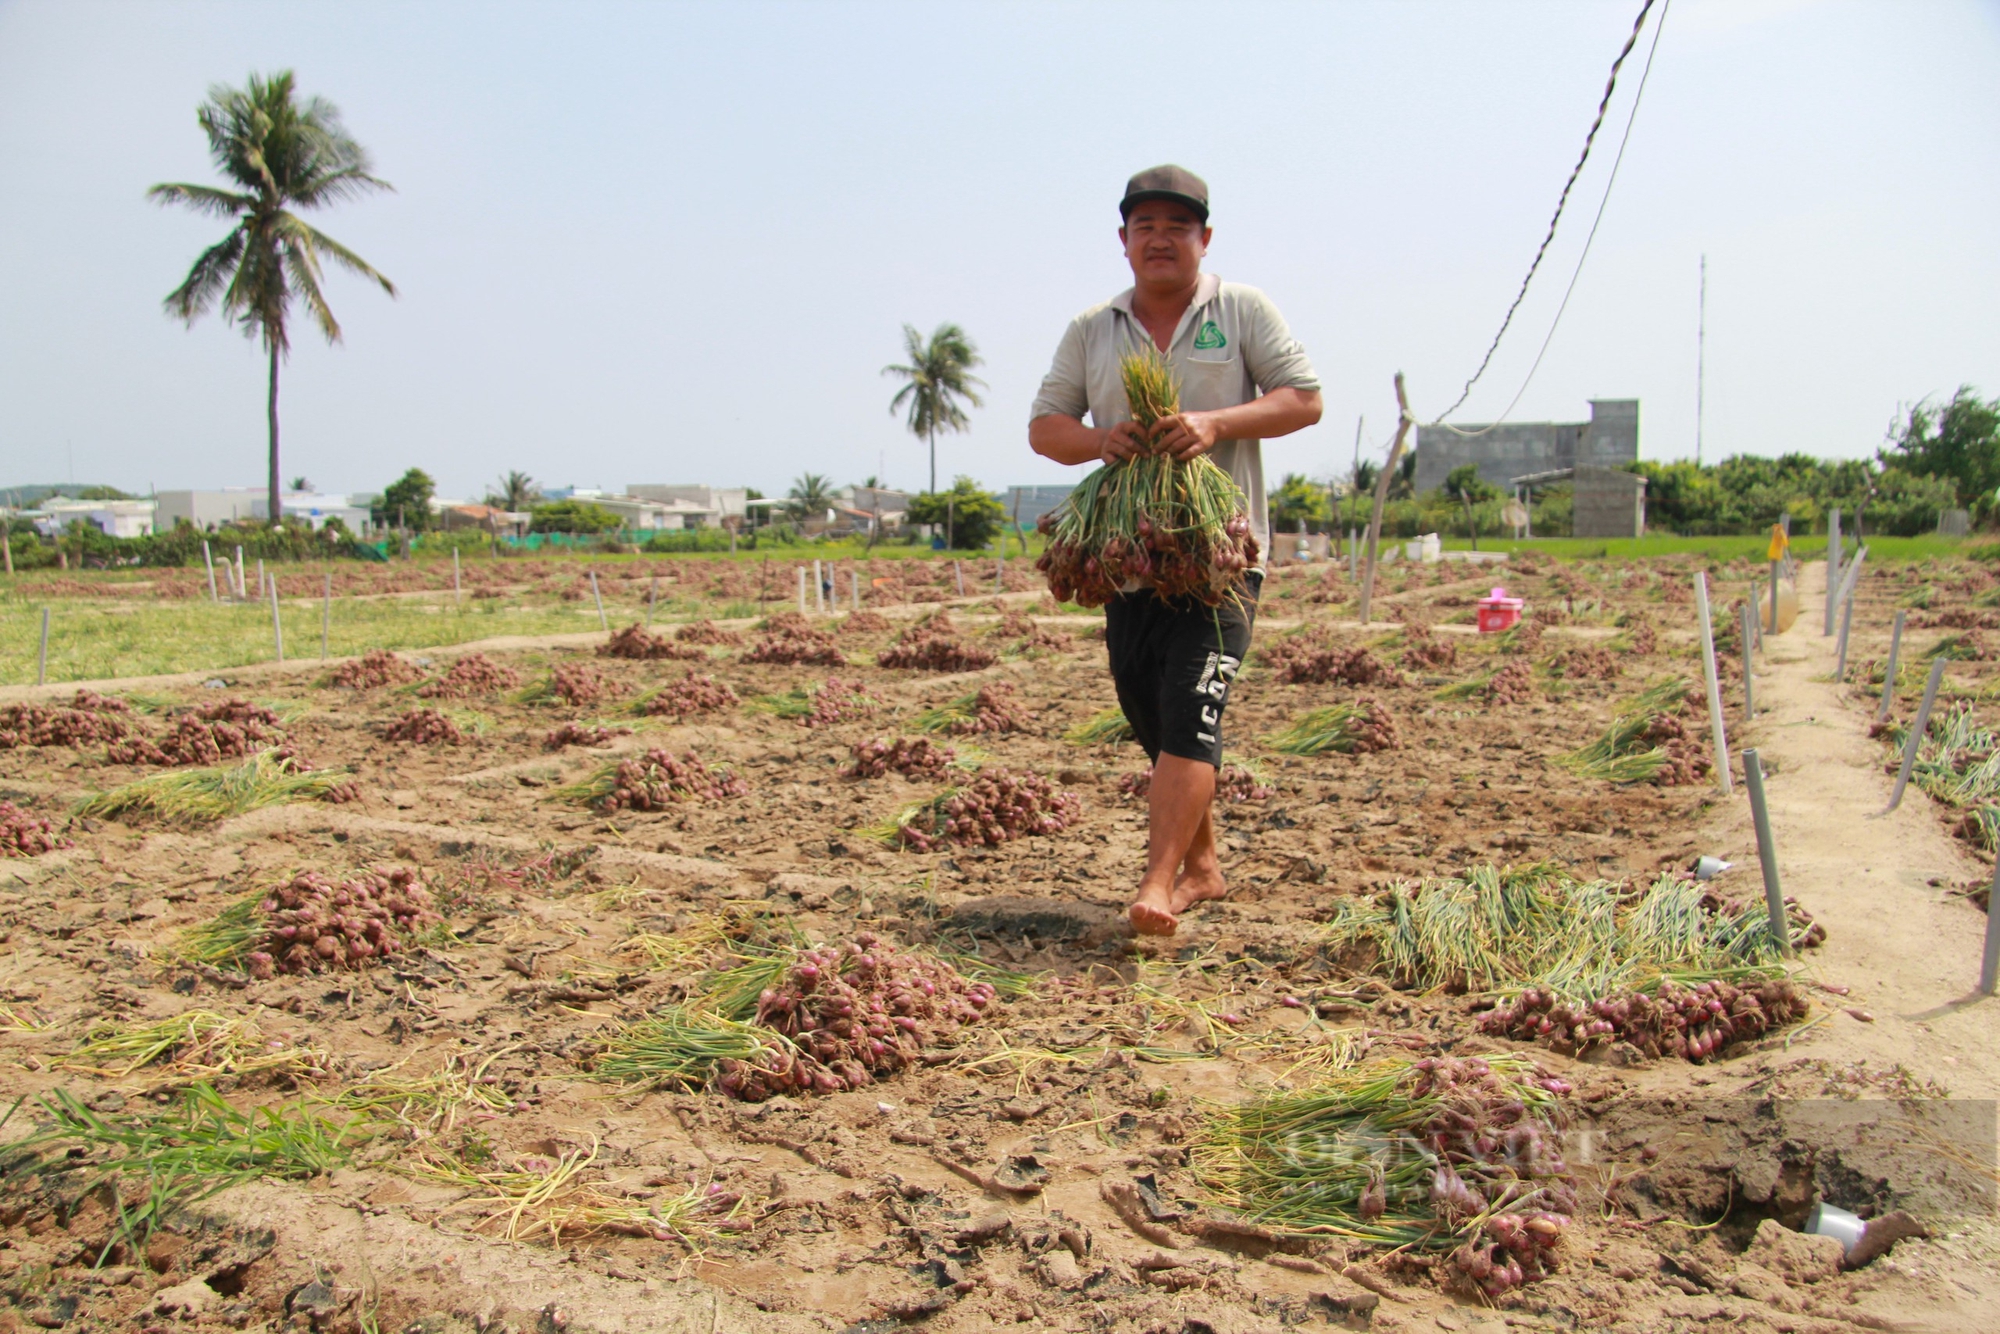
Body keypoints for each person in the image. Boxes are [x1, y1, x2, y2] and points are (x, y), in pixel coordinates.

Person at [1029, 165, 1323, 936]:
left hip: (1219, 557)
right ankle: (1203, 865)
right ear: (1124, 241)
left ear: (1204, 238)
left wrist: (1216, 424)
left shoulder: (1242, 309)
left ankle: (1159, 884)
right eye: (1145, 226)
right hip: (1130, 556)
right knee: (1147, 709)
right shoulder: (1093, 329)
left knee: (1193, 705)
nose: (1161, 238)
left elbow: (1305, 397)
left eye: (1178, 226)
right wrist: (1102, 440)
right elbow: (1044, 427)